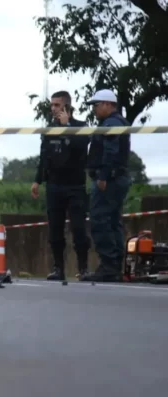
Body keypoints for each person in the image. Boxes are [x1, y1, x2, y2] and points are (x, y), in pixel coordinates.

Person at [31, 90, 91, 281]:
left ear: (67, 106)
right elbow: (44, 156)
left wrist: (68, 127)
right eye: (52, 105)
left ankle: (83, 269)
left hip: (75, 186)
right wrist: (37, 180)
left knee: (79, 230)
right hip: (54, 186)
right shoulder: (49, 128)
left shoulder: (81, 127)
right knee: (55, 231)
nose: (53, 109)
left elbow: (81, 147)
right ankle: (58, 269)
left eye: (57, 105)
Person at [80, 89, 132, 282]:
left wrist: (102, 175)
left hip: (109, 180)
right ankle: (115, 265)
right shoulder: (114, 122)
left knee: (101, 220)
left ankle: (109, 266)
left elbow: (110, 151)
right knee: (112, 221)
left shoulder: (111, 123)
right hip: (116, 178)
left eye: (97, 105)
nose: (94, 109)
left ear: (108, 104)